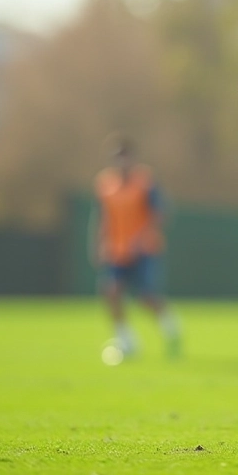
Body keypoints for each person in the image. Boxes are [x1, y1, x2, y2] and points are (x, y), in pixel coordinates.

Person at [89, 135, 180, 358]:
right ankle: (126, 340)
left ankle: (170, 326)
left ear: (132, 158)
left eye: (125, 156)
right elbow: (103, 217)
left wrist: (141, 238)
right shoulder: (105, 185)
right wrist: (98, 243)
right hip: (117, 250)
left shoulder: (145, 182)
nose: (121, 162)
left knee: (146, 296)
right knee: (111, 291)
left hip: (144, 249)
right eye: (117, 157)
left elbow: (160, 214)